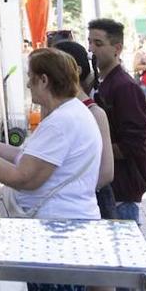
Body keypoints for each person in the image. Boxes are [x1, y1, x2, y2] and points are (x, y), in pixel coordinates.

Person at [0, 48, 101, 291]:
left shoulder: (62, 122)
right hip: (62, 234)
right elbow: (24, 157)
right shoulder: (69, 113)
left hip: (56, 238)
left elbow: (23, 177)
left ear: (44, 80)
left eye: (30, 77)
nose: (27, 84)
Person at [87, 18, 146, 223]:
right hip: (111, 191)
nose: (91, 49)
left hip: (121, 194)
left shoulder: (124, 87)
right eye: (89, 42)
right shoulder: (102, 83)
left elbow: (134, 144)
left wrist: (94, 151)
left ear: (117, 48)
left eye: (98, 44)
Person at [53, 40, 116, 219]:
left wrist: (69, 192)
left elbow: (106, 173)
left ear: (76, 70)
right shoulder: (55, 110)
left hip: (89, 206)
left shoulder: (95, 113)